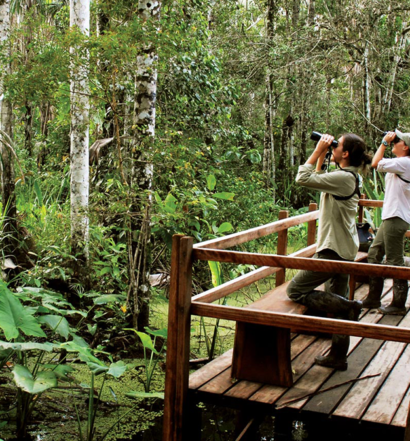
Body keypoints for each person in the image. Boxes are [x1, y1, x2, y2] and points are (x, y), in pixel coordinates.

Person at [287, 132, 372, 371]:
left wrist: (318, 151)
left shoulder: (344, 178)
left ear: (344, 154)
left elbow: (303, 178)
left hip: (333, 250)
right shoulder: (349, 176)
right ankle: (337, 356)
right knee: (336, 299)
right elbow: (319, 177)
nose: (333, 147)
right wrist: (324, 153)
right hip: (344, 247)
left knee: (295, 290)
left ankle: (349, 306)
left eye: (337, 145)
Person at [362, 130, 410, 314]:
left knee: (395, 260)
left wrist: (383, 142)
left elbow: (375, 163)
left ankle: (398, 304)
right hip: (390, 217)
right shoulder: (401, 163)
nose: (393, 142)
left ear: (405, 147)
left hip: (396, 218)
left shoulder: (404, 162)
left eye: (397, 141)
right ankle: (373, 298)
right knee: (374, 254)